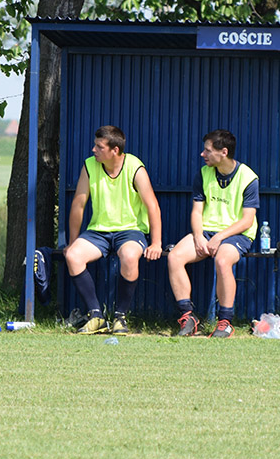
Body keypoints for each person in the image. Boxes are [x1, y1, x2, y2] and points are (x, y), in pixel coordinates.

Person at [63, 125, 162, 335]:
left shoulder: (135, 167)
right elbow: (78, 205)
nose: (94, 150)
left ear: (115, 150)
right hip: (98, 232)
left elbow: (152, 206)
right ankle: (96, 316)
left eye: (99, 147)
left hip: (130, 231)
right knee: (73, 256)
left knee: (129, 256)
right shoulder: (89, 166)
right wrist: (72, 242)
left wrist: (156, 243)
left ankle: (120, 317)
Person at [167, 129, 259, 338]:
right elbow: (196, 212)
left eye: (208, 150)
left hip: (237, 234)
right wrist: (198, 236)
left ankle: (225, 322)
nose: (203, 154)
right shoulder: (203, 174)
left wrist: (219, 237)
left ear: (223, 152)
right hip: (206, 231)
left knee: (222, 260)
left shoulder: (248, 177)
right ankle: (188, 317)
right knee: (174, 257)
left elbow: (247, 220)